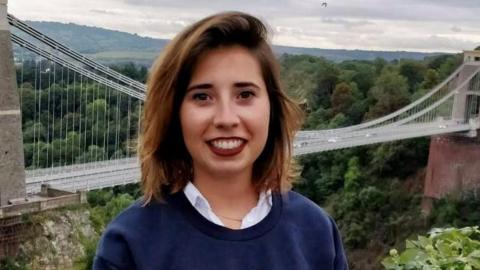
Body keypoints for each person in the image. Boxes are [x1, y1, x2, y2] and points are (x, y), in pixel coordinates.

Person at [93, 11, 348, 270]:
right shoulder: (129, 244)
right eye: (202, 97)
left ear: (272, 108)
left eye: (245, 94)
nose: (226, 119)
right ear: (174, 113)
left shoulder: (316, 232)